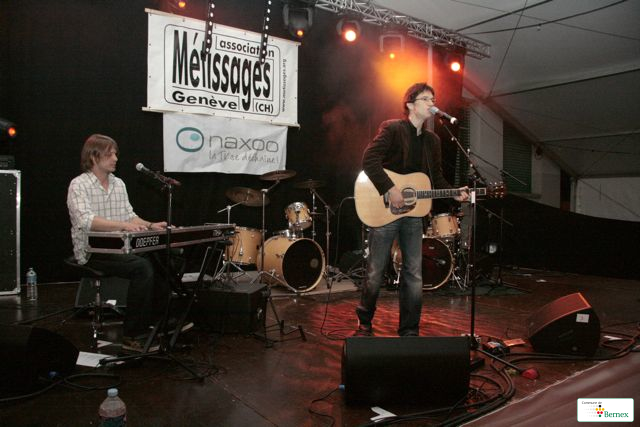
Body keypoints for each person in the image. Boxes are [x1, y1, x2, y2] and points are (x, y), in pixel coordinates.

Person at [355, 83, 469, 337]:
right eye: (426, 99)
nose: (432, 103)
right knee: (375, 271)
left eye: (433, 99)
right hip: (384, 210)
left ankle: (409, 329)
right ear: (410, 104)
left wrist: (453, 192)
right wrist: (390, 189)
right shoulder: (393, 128)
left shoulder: (432, 141)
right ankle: (364, 321)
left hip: (414, 215)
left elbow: (436, 179)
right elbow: (369, 160)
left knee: (414, 273)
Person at [67, 134, 184, 352]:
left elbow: (130, 216)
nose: (115, 158)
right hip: (93, 251)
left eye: (115, 154)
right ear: (93, 157)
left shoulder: (118, 184)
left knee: (164, 255)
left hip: (121, 247)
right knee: (141, 268)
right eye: (109, 154)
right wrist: (123, 226)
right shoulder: (78, 185)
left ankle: (159, 319)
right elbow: (86, 221)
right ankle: (133, 334)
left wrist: (150, 225)